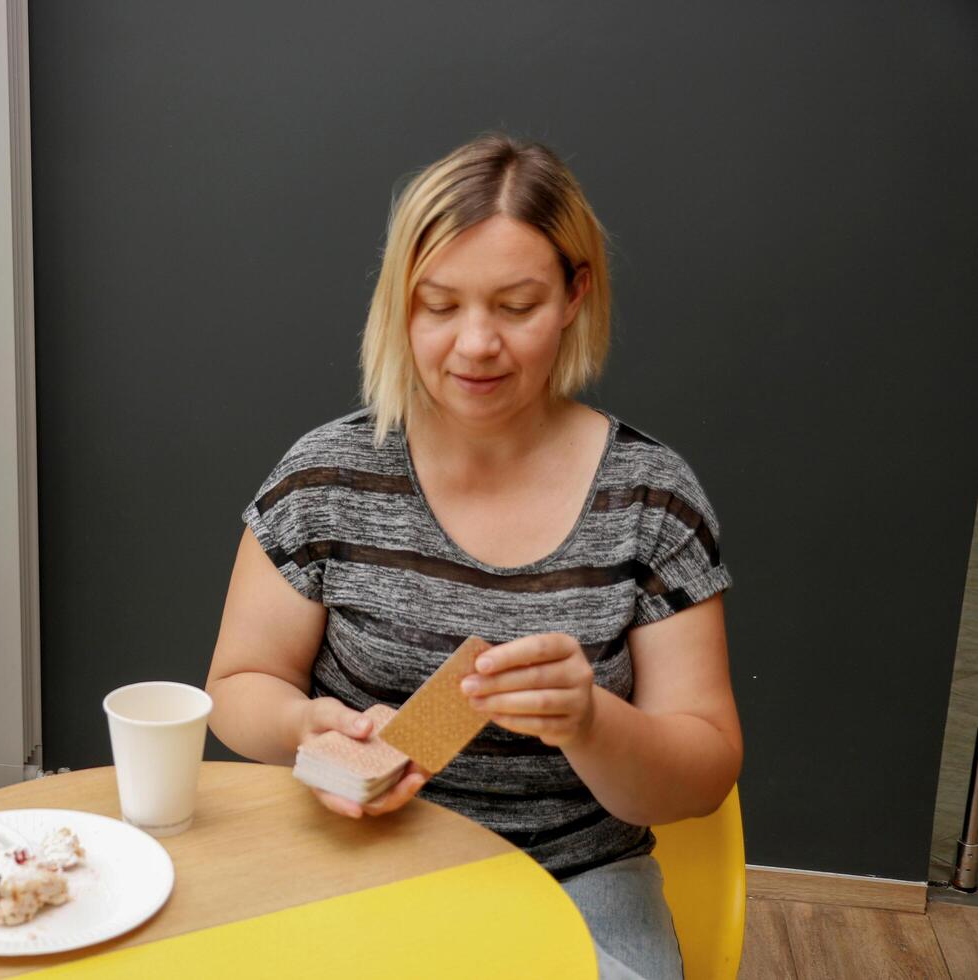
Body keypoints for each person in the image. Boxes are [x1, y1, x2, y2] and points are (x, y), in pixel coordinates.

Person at [204, 132, 742, 980]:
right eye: (439, 305)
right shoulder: (324, 477)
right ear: (399, 305)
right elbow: (236, 687)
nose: (475, 344)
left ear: (574, 295)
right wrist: (304, 727)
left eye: (516, 305)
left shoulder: (651, 499)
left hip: (576, 878)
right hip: (359, 858)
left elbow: (701, 778)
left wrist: (591, 722)